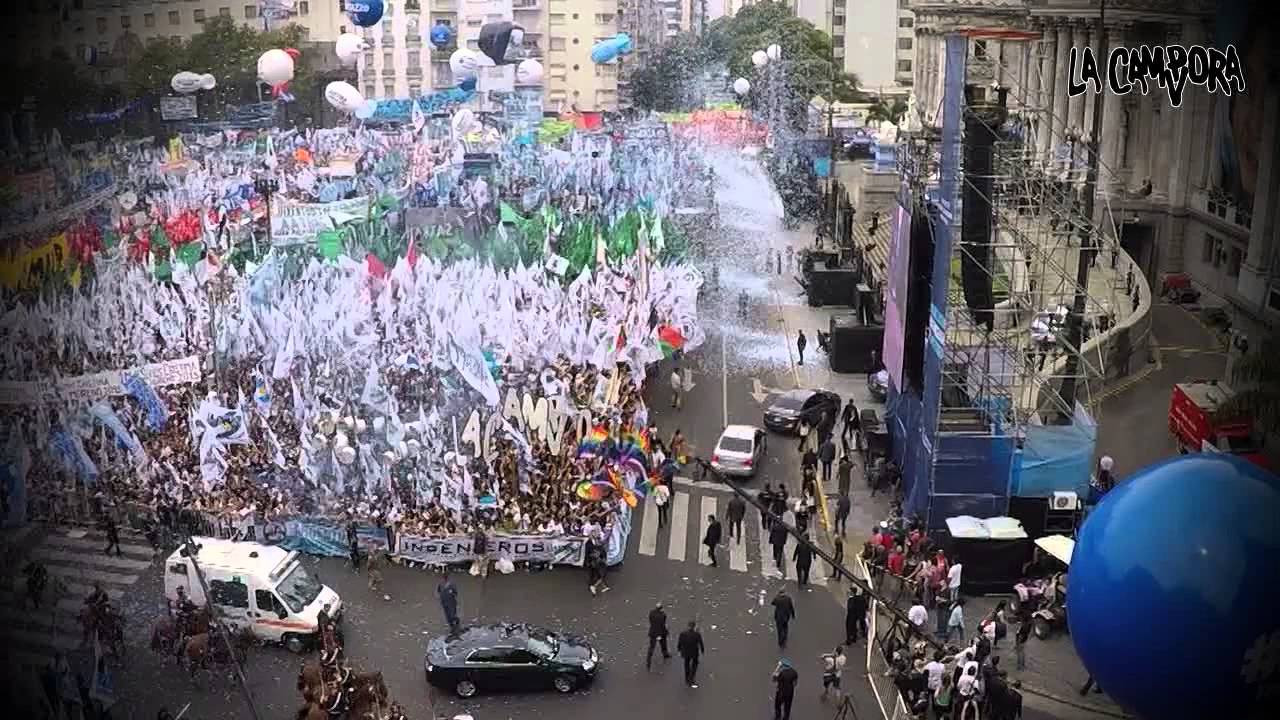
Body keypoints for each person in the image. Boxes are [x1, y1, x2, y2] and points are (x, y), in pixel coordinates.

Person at [677, 620, 705, 687]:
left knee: (686, 664)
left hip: (685, 652)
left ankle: (687, 678)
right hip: (694, 652)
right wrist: (702, 651)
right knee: (694, 665)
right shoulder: (697, 634)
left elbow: (680, 643)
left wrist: (679, 650)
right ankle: (691, 678)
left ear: (688, 626)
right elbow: (700, 643)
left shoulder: (683, 634)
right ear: (694, 626)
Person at [645, 602, 671, 670]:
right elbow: (663, 624)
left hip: (653, 632)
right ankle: (665, 654)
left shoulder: (651, 613)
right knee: (663, 644)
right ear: (661, 608)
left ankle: (648, 659)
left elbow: (651, 621)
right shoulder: (663, 615)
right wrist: (666, 631)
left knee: (651, 647)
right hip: (661, 633)